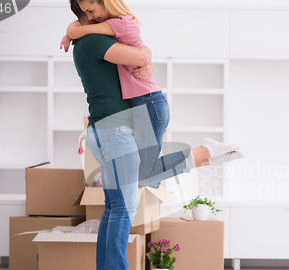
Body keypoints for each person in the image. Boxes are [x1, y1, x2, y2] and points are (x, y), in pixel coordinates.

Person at [65, 1, 243, 270]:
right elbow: (142, 55)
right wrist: (147, 60)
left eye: (93, 8)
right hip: (115, 129)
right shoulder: (95, 39)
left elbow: (139, 60)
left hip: (106, 128)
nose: (92, 14)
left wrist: (145, 63)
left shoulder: (89, 37)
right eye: (87, 11)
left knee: (114, 207)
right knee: (125, 207)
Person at [62, 0, 243, 188]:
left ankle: (206, 152)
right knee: (143, 174)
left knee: (142, 175)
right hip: (144, 103)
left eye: (92, 11)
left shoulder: (119, 24)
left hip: (148, 103)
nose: (92, 18)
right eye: (87, 14)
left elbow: (143, 55)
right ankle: (205, 157)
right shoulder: (113, 27)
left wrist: (72, 32)